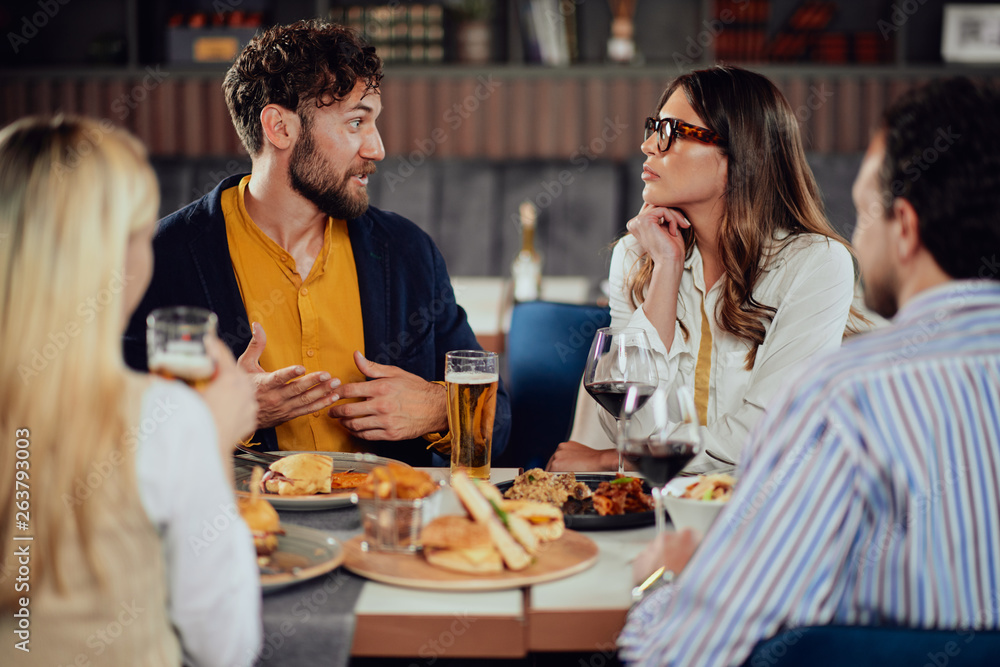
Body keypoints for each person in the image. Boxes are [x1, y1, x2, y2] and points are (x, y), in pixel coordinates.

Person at [619, 77, 1000, 667]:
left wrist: (669, 583)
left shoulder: (843, 397)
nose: (855, 233)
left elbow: (678, 654)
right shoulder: (642, 256)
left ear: (904, 226)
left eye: (865, 208)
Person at [122, 20, 510, 466]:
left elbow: (499, 421)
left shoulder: (407, 251)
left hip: (389, 527)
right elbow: (113, 438)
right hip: (243, 528)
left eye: (374, 123)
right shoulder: (162, 259)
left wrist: (438, 408)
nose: (377, 148)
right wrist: (226, 413)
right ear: (280, 128)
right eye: (356, 122)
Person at [0, 117, 261, 665]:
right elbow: (226, 647)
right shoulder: (165, 421)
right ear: (112, 257)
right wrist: (210, 446)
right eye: (143, 235)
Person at [548, 66, 866, 473]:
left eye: (670, 132)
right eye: (652, 128)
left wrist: (618, 459)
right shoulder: (637, 254)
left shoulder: (817, 264)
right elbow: (629, 422)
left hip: (766, 512)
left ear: (738, 155)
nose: (648, 145)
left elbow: (768, 434)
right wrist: (666, 268)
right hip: (653, 514)